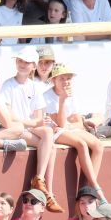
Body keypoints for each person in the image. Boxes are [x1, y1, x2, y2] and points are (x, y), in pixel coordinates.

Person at [0, 46, 63, 212]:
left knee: (49, 137)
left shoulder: (34, 87)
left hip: (27, 128)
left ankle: (41, 182)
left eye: (27, 62)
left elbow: (38, 118)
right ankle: (47, 191)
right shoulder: (8, 85)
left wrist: (32, 122)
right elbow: (10, 118)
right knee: (51, 145)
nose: (22, 64)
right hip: (17, 130)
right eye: (20, 61)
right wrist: (32, 122)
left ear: (33, 66)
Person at [44, 65, 106, 200]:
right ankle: (95, 187)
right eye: (62, 78)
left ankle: (88, 189)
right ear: (54, 80)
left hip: (68, 128)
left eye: (68, 79)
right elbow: (60, 124)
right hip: (53, 131)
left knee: (98, 146)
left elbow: (77, 122)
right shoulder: (47, 96)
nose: (66, 82)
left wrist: (70, 125)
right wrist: (62, 100)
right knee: (81, 144)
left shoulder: (72, 95)